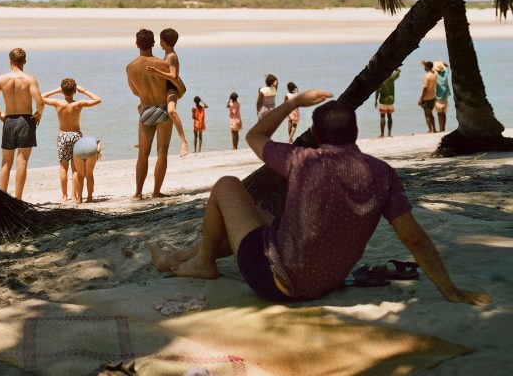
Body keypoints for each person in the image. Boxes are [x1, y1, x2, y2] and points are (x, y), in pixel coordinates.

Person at [150, 90, 492, 307]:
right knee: (264, 219)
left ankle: (204, 264)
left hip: (275, 281)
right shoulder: (383, 173)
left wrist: (294, 102)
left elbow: (255, 135)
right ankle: (180, 256)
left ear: (317, 135)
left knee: (226, 186)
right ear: (355, 133)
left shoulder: (303, 160)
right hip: (323, 284)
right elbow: (413, 237)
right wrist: (449, 288)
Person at [0, 48, 44, 199]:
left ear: (10, 61)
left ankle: (2, 198)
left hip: (9, 121)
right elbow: (40, 103)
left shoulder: (2, 79)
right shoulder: (29, 79)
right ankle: (18, 199)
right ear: (24, 61)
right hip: (26, 121)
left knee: (5, 162)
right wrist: (38, 114)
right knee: (22, 162)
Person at [126, 29, 174, 199]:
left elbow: (134, 91)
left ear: (137, 44)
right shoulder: (162, 64)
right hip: (162, 109)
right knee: (162, 152)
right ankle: (156, 191)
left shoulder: (130, 67)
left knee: (143, 154)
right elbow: (173, 86)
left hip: (146, 110)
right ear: (153, 43)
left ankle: (138, 192)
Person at [41, 78, 101, 202]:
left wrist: (56, 91)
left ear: (62, 91)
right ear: (75, 90)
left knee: (63, 167)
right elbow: (97, 100)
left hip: (63, 136)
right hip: (76, 136)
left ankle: (64, 196)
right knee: (75, 168)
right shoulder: (78, 104)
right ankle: (74, 195)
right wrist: (83, 91)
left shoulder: (58, 103)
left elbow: (40, 97)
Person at [145, 28, 189, 157]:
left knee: (171, 111)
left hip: (172, 88)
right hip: (164, 88)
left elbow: (174, 76)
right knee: (143, 106)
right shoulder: (167, 55)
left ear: (163, 41)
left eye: (160, 40)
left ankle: (184, 142)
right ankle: (144, 140)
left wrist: (156, 72)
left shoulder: (172, 56)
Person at [72, 136, 102, 203]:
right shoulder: (96, 140)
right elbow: (99, 148)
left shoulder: (80, 141)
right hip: (91, 149)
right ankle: (89, 198)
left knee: (80, 175)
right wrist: (97, 153)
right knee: (89, 175)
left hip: (78, 149)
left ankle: (79, 199)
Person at [374, 68, 401, 138]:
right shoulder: (391, 78)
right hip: (391, 100)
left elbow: (377, 91)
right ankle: (389, 133)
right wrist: (396, 68)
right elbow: (398, 72)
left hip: (383, 101)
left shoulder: (380, 80)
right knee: (390, 117)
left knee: (382, 117)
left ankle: (382, 134)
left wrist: (375, 101)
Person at [418, 61, 438, 133]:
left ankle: (430, 129)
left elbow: (425, 88)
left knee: (427, 115)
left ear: (428, 67)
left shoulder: (427, 76)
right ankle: (434, 129)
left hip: (427, 98)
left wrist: (421, 99)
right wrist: (426, 63)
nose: (424, 67)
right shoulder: (435, 74)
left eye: (425, 66)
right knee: (431, 114)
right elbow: (434, 69)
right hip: (433, 96)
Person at [434, 61, 451, 132]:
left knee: (439, 114)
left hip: (438, 97)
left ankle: (440, 129)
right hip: (445, 97)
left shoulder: (436, 75)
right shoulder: (446, 74)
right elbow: (447, 67)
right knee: (444, 114)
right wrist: (443, 64)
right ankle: (443, 128)